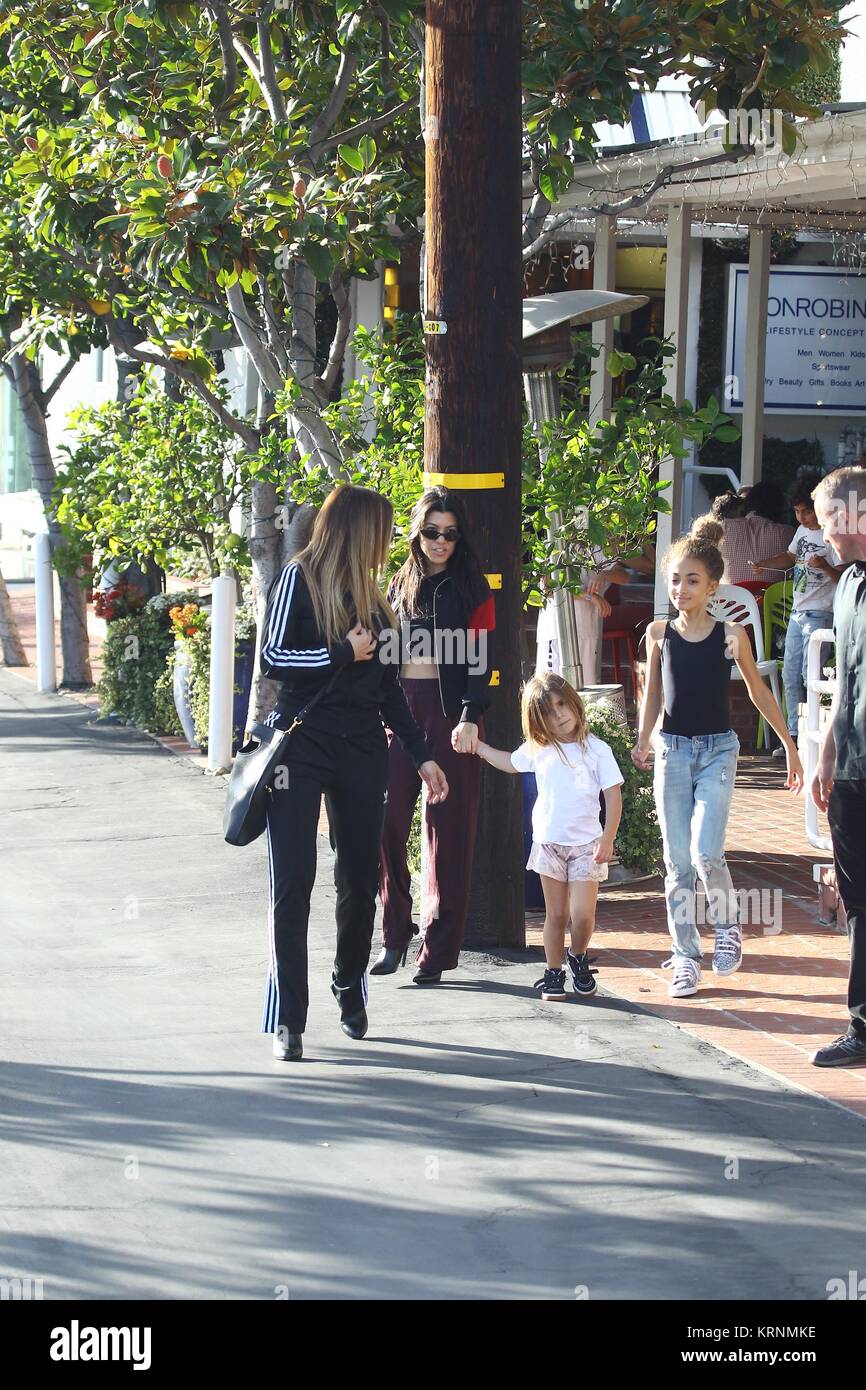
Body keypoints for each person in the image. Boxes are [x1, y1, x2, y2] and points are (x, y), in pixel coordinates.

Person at [259, 485, 449, 1060]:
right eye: (385, 530)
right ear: (359, 529)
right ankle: (289, 1017)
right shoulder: (299, 577)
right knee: (292, 883)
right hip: (301, 746)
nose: (390, 542)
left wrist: (421, 753)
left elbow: (389, 689)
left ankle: (349, 989)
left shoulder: (378, 597)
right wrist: (340, 653)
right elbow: (272, 657)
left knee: (361, 879)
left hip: (363, 748)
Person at [632, 518, 803, 998]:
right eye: (674, 580)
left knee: (706, 853)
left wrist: (788, 744)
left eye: (692, 581)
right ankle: (686, 958)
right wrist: (643, 738)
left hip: (717, 752)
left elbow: (757, 690)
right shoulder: (658, 632)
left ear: (712, 586)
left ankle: (727, 927)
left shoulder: (731, 634)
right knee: (677, 863)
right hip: (671, 750)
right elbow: (652, 696)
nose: (681, 589)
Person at [375, 487, 495, 984]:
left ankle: (438, 951)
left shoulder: (473, 588)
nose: (440, 541)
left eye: (449, 532)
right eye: (431, 531)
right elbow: (383, 656)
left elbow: (481, 660)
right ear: (417, 532)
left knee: (449, 833)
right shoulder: (396, 584)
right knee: (386, 821)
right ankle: (394, 935)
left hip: (451, 718)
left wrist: (470, 714)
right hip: (399, 714)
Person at [459, 672, 623, 1001]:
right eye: (548, 711)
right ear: (538, 720)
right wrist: (480, 749)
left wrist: (607, 838)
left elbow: (613, 795)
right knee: (556, 915)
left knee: (582, 915)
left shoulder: (597, 750)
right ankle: (553, 971)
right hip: (548, 844)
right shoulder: (540, 749)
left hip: (586, 847)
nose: (559, 714)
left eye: (562, 705)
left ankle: (577, 956)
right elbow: (509, 763)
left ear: (574, 704)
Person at [809, 467, 866, 1066]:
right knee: (859, 899)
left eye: (828, 522)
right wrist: (825, 752)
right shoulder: (846, 584)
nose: (823, 535)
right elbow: (842, 680)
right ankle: (863, 1024)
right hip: (852, 767)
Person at [750, 474, 846, 757]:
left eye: (806, 511)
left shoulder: (830, 535)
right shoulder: (801, 533)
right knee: (790, 674)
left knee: (809, 673)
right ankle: (792, 735)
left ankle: (811, 733)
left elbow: (844, 576)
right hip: (797, 612)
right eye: (797, 512)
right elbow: (790, 557)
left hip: (821, 613)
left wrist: (825, 566)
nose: (802, 517)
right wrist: (764, 565)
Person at [718, 480, 794, 584]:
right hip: (770, 598)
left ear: (747, 503)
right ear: (780, 507)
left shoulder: (723, 528)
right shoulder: (788, 533)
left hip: (732, 598)